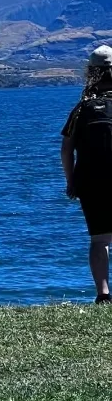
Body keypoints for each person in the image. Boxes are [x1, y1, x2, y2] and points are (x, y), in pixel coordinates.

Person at [62, 45, 112, 304]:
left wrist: (71, 181)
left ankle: (103, 295)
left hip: (91, 182)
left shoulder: (81, 109)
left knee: (100, 239)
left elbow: (66, 150)